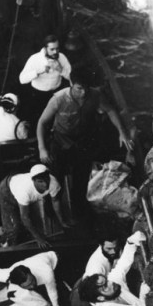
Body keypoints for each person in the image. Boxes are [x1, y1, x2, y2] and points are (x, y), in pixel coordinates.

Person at [36, 69, 131, 213]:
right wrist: (42, 148)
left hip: (82, 140)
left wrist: (122, 133)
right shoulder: (58, 99)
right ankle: (50, 209)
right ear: (71, 84)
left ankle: (79, 207)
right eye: (79, 88)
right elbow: (42, 122)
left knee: (81, 175)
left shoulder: (95, 95)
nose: (83, 93)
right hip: (61, 140)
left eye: (86, 88)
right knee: (56, 176)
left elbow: (110, 110)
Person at [78, 231, 152, 306]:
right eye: (105, 286)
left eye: (106, 281)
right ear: (101, 298)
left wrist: (131, 242)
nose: (110, 283)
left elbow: (122, 265)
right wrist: (144, 297)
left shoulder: (112, 285)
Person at [0, 163, 70, 248]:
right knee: (13, 228)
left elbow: (56, 201)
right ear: (33, 181)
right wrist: (38, 238)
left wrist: (62, 222)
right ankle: (2, 245)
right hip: (7, 190)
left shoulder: (53, 182)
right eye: (40, 181)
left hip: (19, 183)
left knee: (22, 220)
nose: (45, 184)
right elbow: (24, 217)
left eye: (46, 179)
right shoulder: (24, 191)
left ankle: (6, 225)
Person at [19, 35, 71, 121]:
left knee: (55, 117)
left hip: (56, 93)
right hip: (38, 95)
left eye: (57, 48)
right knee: (38, 119)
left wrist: (61, 70)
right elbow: (22, 79)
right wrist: (38, 72)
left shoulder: (62, 57)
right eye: (52, 49)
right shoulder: (34, 59)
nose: (55, 52)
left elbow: (72, 77)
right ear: (45, 48)